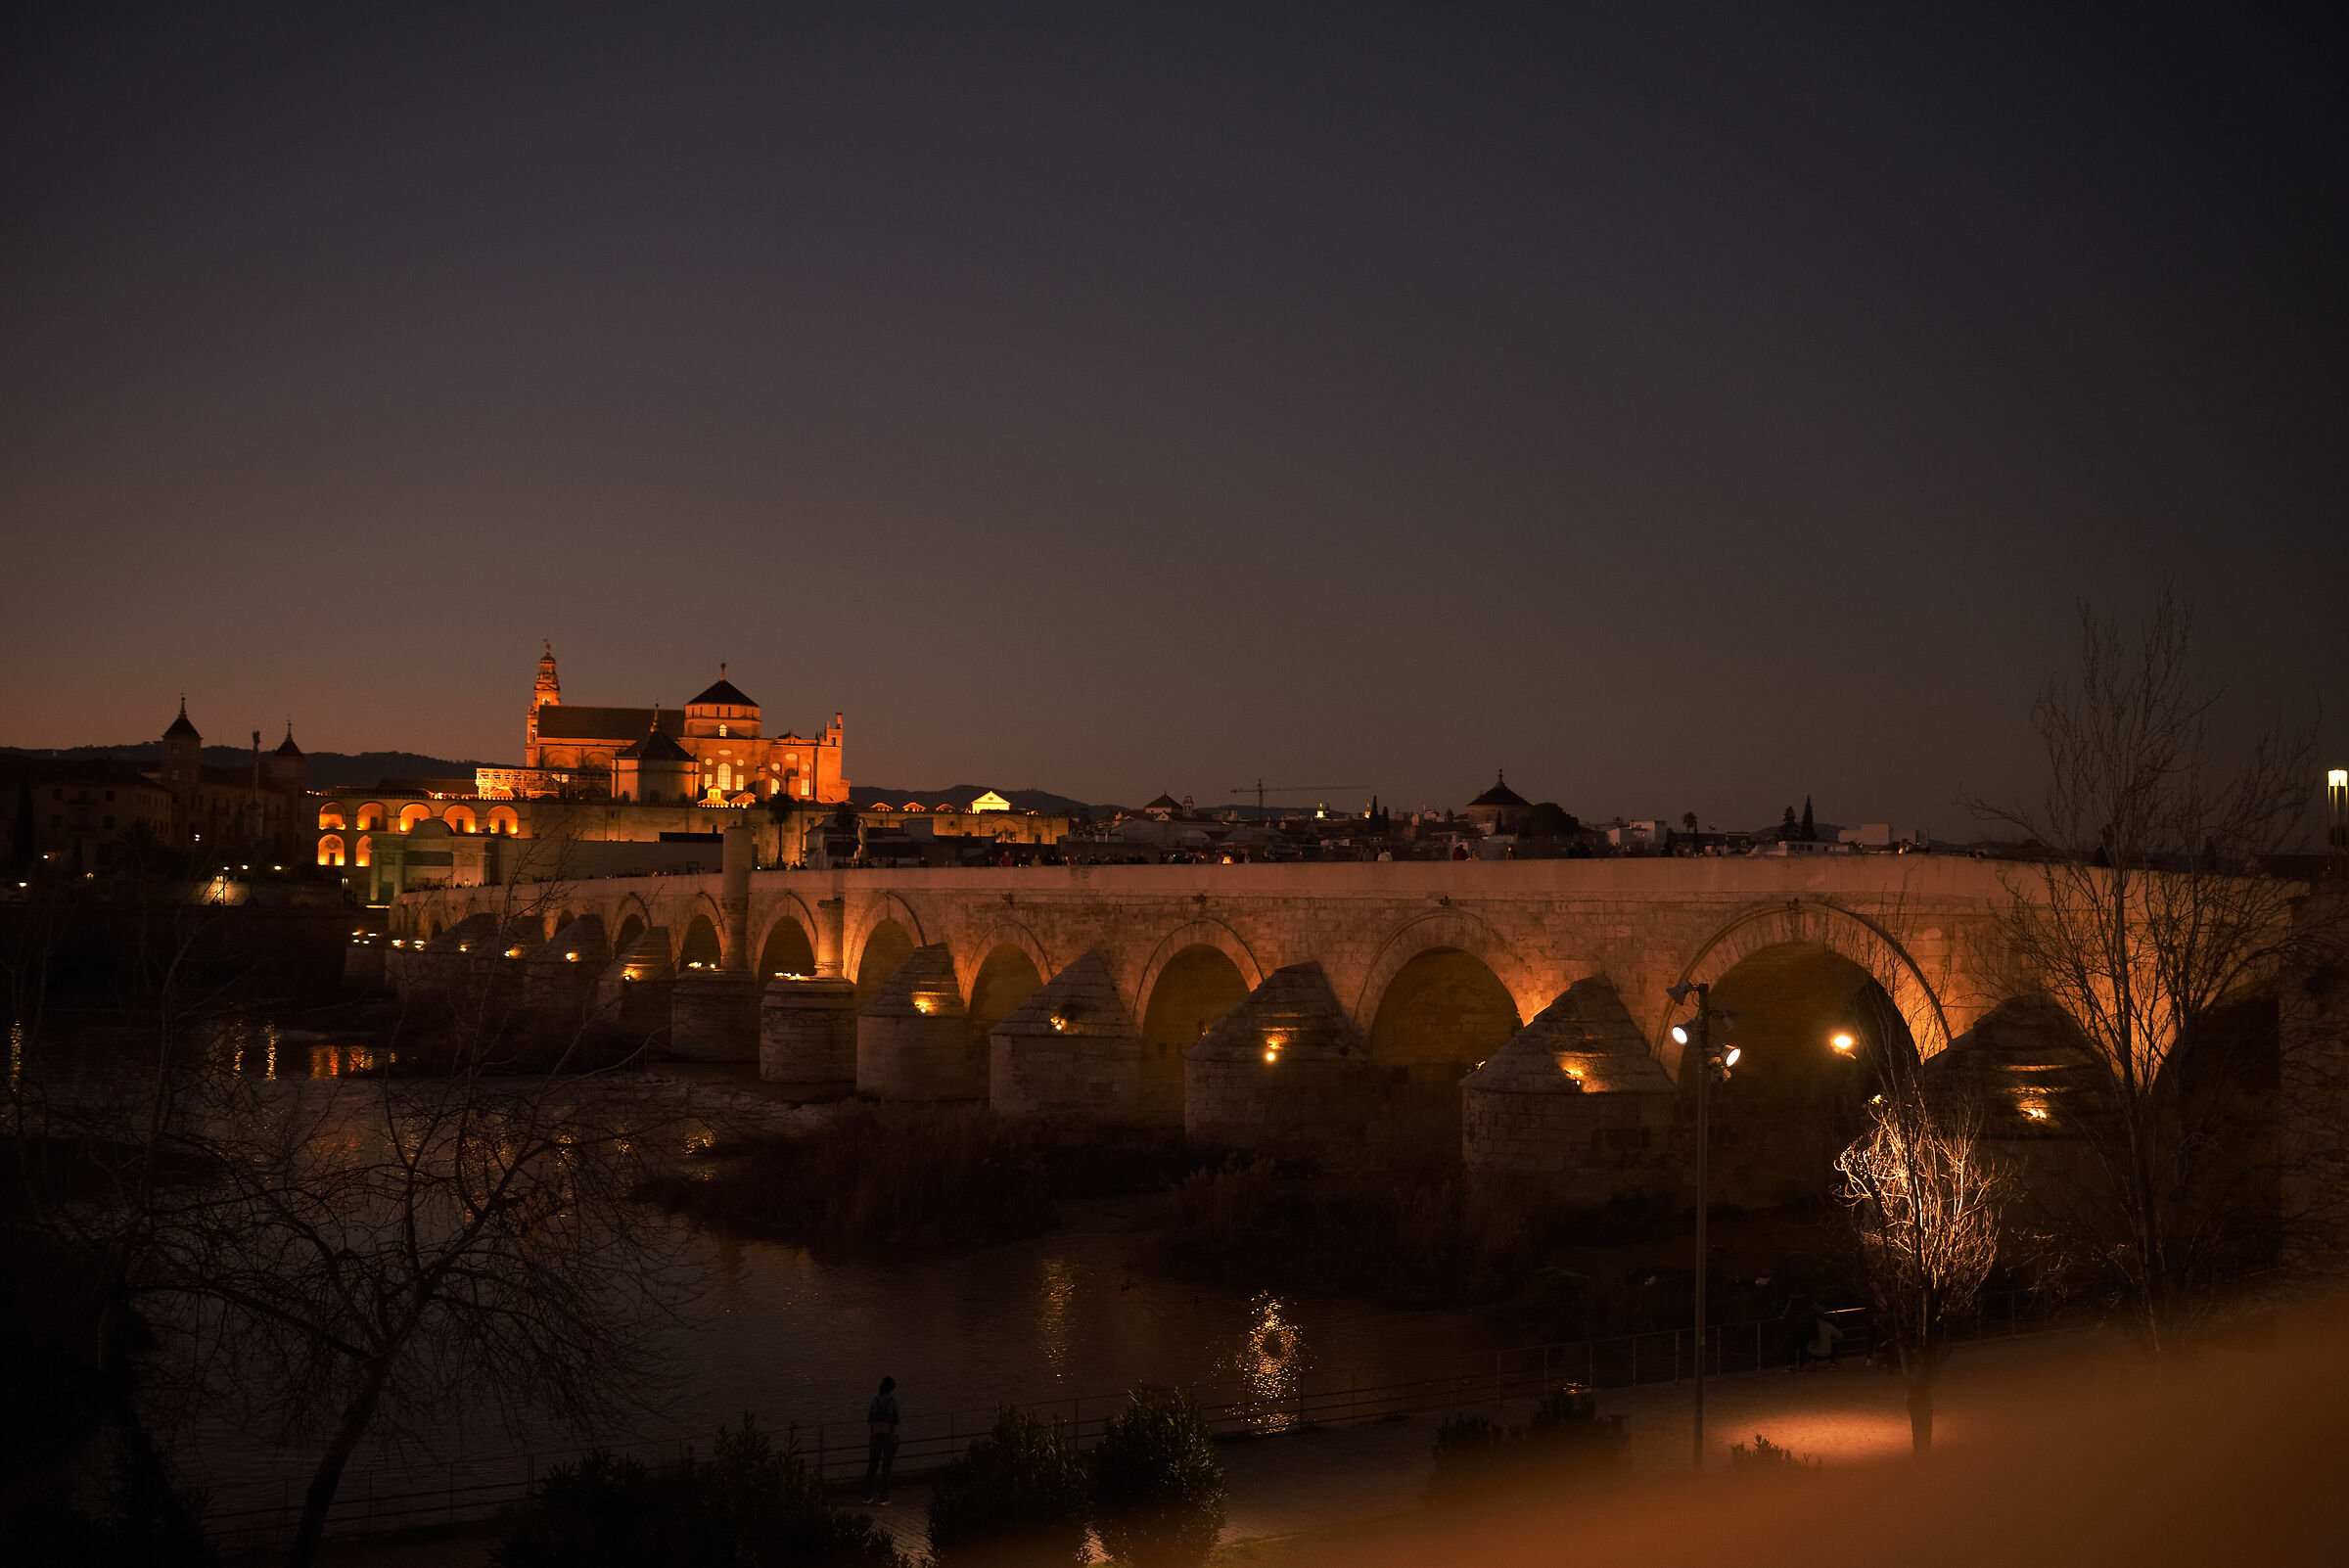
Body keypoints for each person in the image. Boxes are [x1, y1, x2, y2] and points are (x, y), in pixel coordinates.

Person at [863, 1375, 899, 1503]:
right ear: (891, 1388)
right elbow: (896, 1420)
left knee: (872, 1466)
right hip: (888, 1437)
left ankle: (867, 1496)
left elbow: (869, 1419)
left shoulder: (875, 1400)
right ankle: (883, 1497)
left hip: (875, 1437)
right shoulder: (892, 1401)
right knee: (886, 1466)